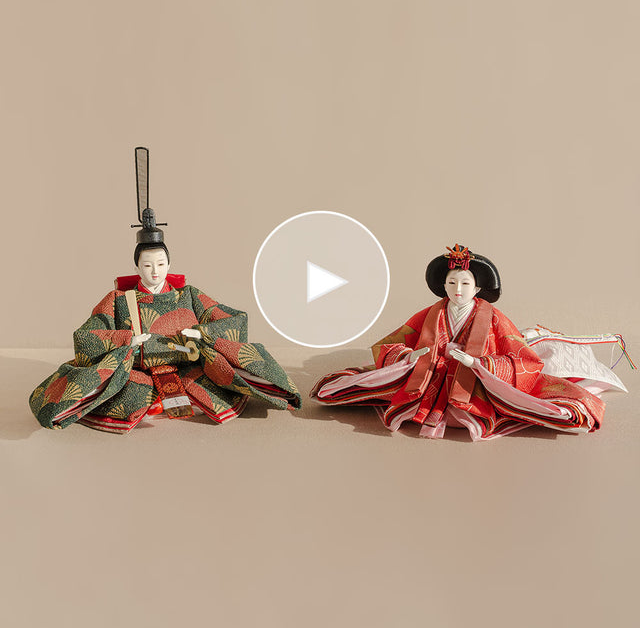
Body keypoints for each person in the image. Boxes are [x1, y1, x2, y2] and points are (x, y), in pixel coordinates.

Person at [29, 149, 301, 433]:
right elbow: (86, 338)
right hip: (138, 374)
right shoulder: (118, 300)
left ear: (169, 264)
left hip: (189, 370)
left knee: (217, 383)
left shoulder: (189, 295)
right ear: (137, 266)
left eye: (160, 264)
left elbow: (234, 321)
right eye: (147, 265)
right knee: (128, 395)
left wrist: (203, 333)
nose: (155, 271)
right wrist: (127, 340)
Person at [311, 244, 610, 440]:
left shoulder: (493, 318)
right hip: (430, 379)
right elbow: (391, 343)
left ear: (477, 288)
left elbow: (524, 360)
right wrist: (407, 357)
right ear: (443, 285)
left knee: (551, 405)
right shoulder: (431, 313)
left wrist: (480, 363)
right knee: (347, 387)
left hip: (473, 384)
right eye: (452, 282)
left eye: (465, 283)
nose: (458, 289)